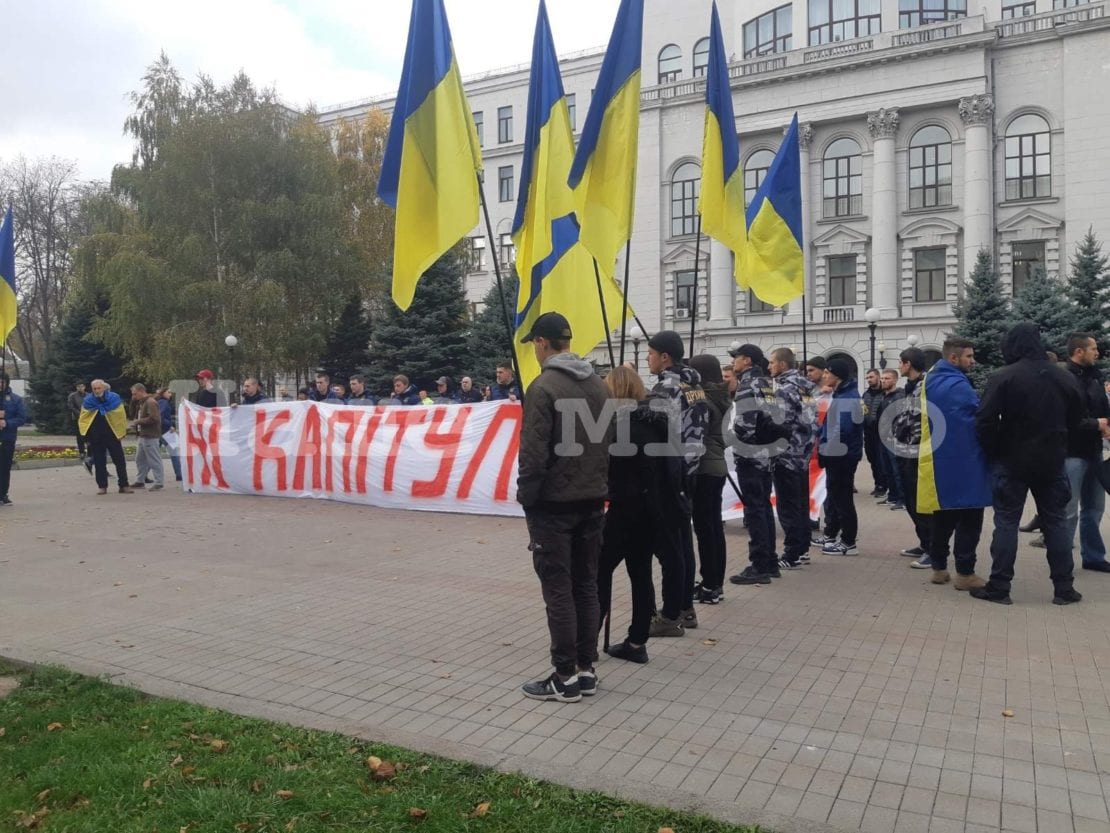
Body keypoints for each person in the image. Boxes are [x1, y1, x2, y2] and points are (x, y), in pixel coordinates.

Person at [517, 312, 611, 702]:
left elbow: (533, 455)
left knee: (557, 589)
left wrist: (527, 497)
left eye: (535, 346)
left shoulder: (543, 387)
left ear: (542, 343)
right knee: (585, 584)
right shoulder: (599, 386)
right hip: (593, 500)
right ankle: (586, 670)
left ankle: (564, 675)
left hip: (554, 506)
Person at [973, 322, 1086, 605]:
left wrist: (994, 449)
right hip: (1052, 460)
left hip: (1011, 460)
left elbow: (984, 421)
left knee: (1007, 522)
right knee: (1056, 522)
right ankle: (1064, 589)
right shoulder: (1064, 378)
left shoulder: (1004, 376)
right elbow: (1076, 419)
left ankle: (1000, 587)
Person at [597, 366, 669, 664]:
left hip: (624, 508)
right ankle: (637, 641)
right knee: (640, 574)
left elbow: (609, 468)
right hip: (652, 508)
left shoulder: (617, 425)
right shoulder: (658, 422)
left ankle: (587, 638)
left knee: (598, 570)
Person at [913, 338, 989, 590]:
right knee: (970, 516)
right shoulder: (958, 385)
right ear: (953, 358)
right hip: (965, 460)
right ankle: (965, 574)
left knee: (942, 516)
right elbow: (975, 419)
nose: (973, 360)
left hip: (938, 462)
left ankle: (938, 568)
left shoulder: (932, 380)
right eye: (969, 356)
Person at [645, 330, 706, 635]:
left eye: (651, 353)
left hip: (671, 472)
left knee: (672, 548)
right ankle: (686, 608)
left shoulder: (667, 386)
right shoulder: (694, 382)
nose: (647, 358)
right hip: (691, 469)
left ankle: (670, 616)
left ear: (665, 356)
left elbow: (654, 429)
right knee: (683, 541)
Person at [729, 344, 788, 584]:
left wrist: (733, 441)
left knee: (754, 510)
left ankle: (760, 565)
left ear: (748, 360)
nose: (734, 362)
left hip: (751, 455)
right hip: (766, 453)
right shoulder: (766, 383)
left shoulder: (747, 384)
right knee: (763, 507)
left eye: (737, 358)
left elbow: (745, 424)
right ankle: (770, 562)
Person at [1062, 333, 1110, 573]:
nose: (1097, 352)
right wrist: (1096, 424)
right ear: (1079, 352)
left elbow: (1102, 407)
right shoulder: (1064, 378)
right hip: (1071, 453)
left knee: (1094, 508)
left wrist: (1107, 425)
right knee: (1068, 510)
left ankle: (1093, 556)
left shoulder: (1095, 375)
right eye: (1093, 348)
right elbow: (1065, 419)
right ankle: (1062, 562)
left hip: (1094, 451)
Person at [769, 347, 818, 570]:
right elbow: (811, 420)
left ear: (782, 364)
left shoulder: (784, 390)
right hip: (803, 453)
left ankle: (792, 553)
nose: (769, 366)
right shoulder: (805, 388)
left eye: (772, 362)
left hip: (786, 455)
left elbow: (781, 423)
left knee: (788, 506)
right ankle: (803, 548)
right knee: (800, 504)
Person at [688, 354, 730, 604]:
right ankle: (715, 583)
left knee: (706, 530)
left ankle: (710, 585)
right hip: (717, 466)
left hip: (704, 467)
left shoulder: (703, 399)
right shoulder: (720, 395)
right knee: (713, 528)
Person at [817, 357, 863, 555]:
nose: (824, 376)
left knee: (843, 499)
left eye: (827, 372)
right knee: (836, 496)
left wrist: (828, 451)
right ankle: (833, 535)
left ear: (837, 375)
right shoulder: (842, 394)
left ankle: (848, 542)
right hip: (840, 454)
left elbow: (842, 429)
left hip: (841, 456)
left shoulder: (847, 397)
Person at [79, 379, 134, 495]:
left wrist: (120, 432)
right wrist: (86, 437)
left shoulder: (114, 398)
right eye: (94, 389)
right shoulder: (88, 401)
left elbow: (120, 416)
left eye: (99, 388)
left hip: (112, 435)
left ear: (104, 388)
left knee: (119, 460)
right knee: (99, 462)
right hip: (96, 436)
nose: (97, 391)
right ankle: (102, 486)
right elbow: (84, 419)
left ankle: (124, 485)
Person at [876, 369, 905, 510]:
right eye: (882, 378)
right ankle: (892, 496)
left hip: (895, 439)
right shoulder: (884, 397)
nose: (883, 381)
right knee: (887, 469)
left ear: (895, 380)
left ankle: (903, 499)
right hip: (884, 438)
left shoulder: (900, 396)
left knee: (897, 470)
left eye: (887, 378)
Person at [129, 384, 164, 490]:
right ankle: (140, 480)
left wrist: (138, 422)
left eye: (135, 394)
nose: (134, 396)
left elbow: (155, 418)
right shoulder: (143, 402)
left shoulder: (150, 402)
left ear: (141, 391)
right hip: (143, 435)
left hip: (150, 435)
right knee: (140, 459)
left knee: (154, 459)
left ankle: (159, 482)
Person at [0, 373, 28, 506]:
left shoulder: (15, 399)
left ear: (6, 383)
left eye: (2, 382)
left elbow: (22, 418)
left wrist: (7, 423)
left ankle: (3, 493)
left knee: (4, 467)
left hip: (7, 438)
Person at [861, 369, 887, 497]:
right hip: (868, 432)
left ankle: (884, 485)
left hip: (882, 432)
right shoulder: (866, 395)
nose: (869, 380)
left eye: (871, 377)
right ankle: (878, 484)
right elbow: (862, 411)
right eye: (867, 378)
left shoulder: (885, 394)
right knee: (872, 459)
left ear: (878, 376)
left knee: (881, 460)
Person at [157, 388, 182, 482]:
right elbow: (161, 416)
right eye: (168, 392)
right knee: (174, 453)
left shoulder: (161, 402)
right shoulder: (164, 402)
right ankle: (179, 474)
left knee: (154, 454)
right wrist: (170, 425)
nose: (170, 394)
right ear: (163, 393)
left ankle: (144, 475)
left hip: (160, 431)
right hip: (167, 431)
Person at [67, 381, 88, 461]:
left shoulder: (88, 395)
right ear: (76, 387)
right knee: (80, 436)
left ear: (84, 387)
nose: (80, 388)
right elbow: (71, 406)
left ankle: (89, 451)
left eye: (82, 386)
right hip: (77, 418)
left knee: (88, 435)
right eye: (79, 386)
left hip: (88, 418)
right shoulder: (72, 396)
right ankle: (81, 452)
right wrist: (79, 414)